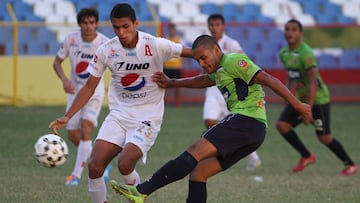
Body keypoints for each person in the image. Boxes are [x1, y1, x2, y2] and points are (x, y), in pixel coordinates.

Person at [110, 34, 312, 203]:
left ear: (216, 50)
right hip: (255, 132)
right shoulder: (219, 71)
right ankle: (142, 191)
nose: (202, 63)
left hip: (246, 120)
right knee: (199, 173)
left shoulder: (233, 60)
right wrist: (172, 83)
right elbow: (202, 80)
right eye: (198, 60)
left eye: (204, 58)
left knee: (193, 151)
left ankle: (142, 191)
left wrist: (297, 105)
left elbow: (268, 79)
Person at [49, 3, 193, 203]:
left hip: (148, 117)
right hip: (119, 115)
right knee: (95, 166)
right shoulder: (106, 50)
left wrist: (219, 61)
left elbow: (193, 52)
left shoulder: (155, 44)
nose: (122, 32)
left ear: (135, 23)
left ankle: (136, 195)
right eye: (116, 28)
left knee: (125, 164)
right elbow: (89, 87)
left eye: (126, 26)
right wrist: (68, 116)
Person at [276, 19, 358, 175]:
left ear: (300, 33)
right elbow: (292, 76)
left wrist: (308, 110)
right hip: (300, 100)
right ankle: (306, 156)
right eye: (287, 29)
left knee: (324, 138)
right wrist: (287, 94)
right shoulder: (284, 53)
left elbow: (313, 82)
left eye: (294, 29)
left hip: (318, 100)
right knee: (282, 125)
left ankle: (350, 164)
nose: (290, 32)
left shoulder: (306, 53)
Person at [52, 7, 112, 186]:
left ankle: (75, 175)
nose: (88, 26)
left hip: (94, 91)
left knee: (86, 128)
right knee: (72, 133)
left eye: (92, 23)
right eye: (85, 23)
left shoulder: (104, 43)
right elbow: (56, 62)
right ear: (79, 24)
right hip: (74, 91)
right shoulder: (71, 39)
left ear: (96, 24)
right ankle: (100, 162)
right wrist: (64, 80)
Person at [204, 13, 261, 170]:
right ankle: (216, 147)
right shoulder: (206, 43)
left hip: (230, 90)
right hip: (213, 89)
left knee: (237, 126)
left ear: (223, 26)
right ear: (208, 26)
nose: (214, 28)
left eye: (217, 25)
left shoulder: (231, 43)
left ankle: (253, 157)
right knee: (209, 120)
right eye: (212, 25)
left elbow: (245, 62)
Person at [163, 22, 185, 107]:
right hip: (167, 66)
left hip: (176, 66)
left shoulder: (179, 40)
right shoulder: (166, 40)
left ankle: (177, 102)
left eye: (173, 29)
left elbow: (184, 52)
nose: (171, 31)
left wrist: (186, 64)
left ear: (175, 30)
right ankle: (162, 102)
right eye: (170, 29)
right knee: (163, 85)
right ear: (168, 30)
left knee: (177, 86)